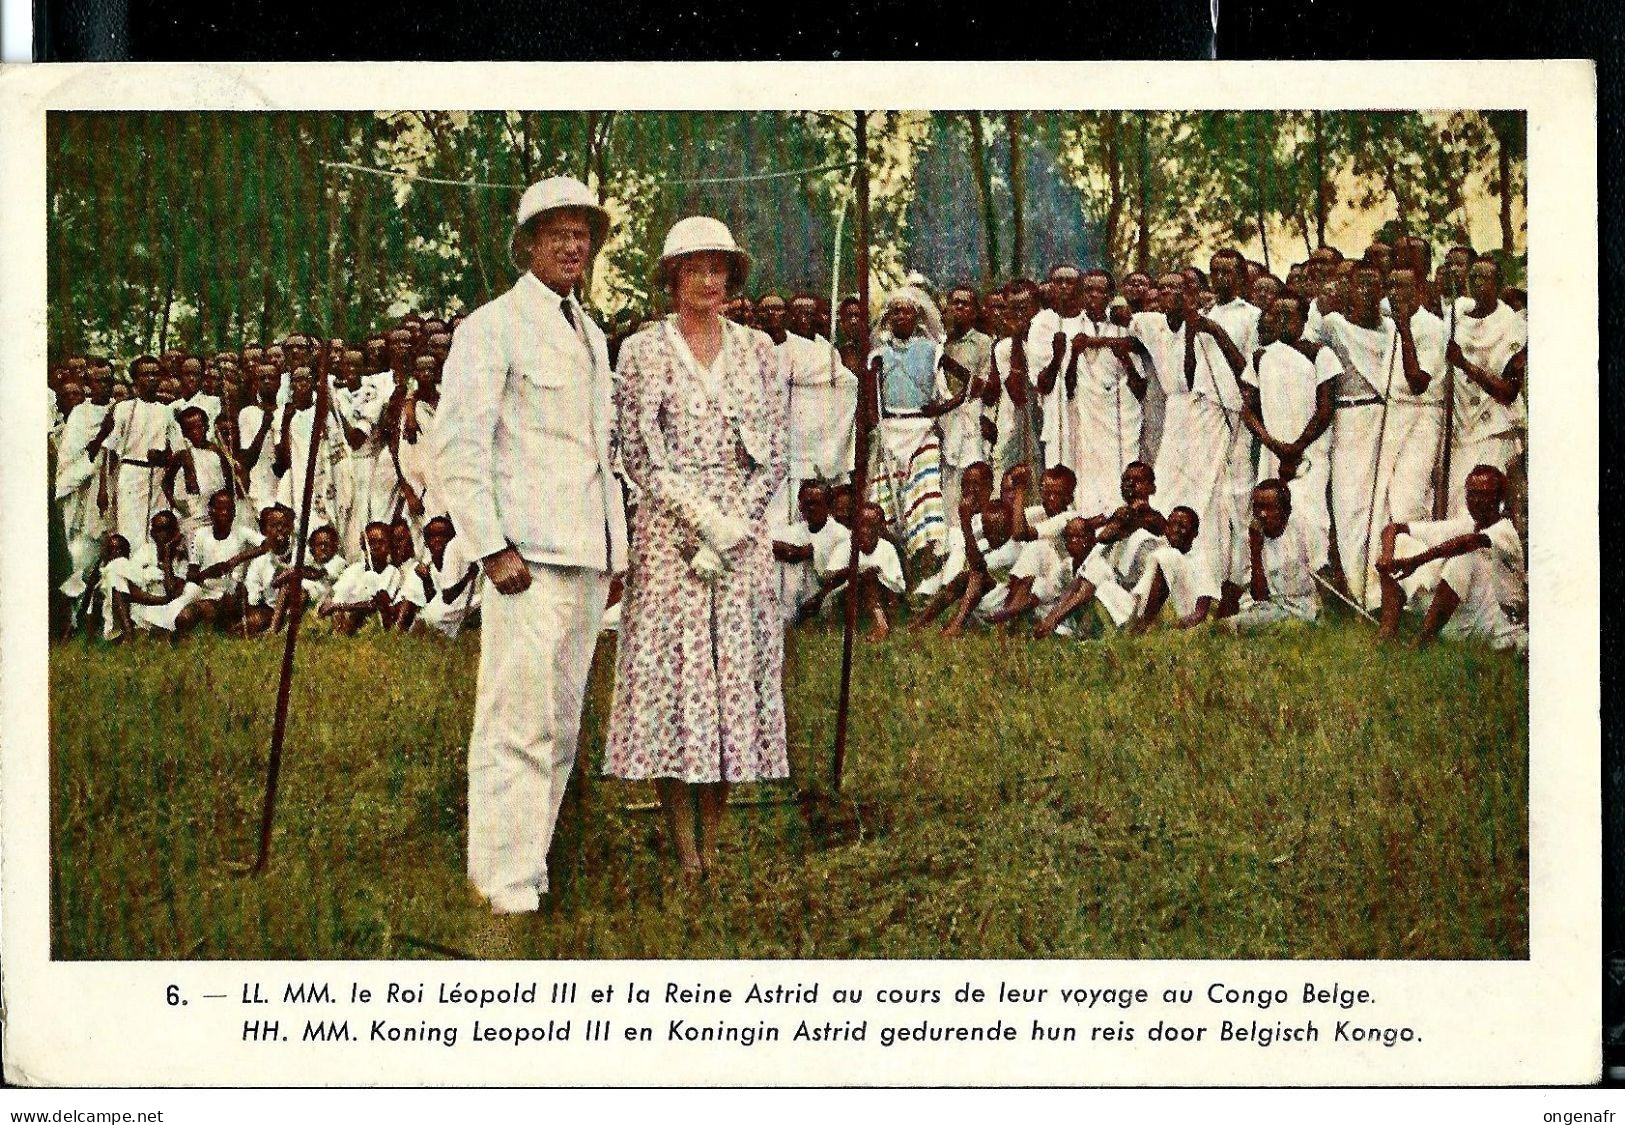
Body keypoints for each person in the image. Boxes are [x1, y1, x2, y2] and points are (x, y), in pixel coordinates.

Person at [434, 176, 629, 915]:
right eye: (557, 233)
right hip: (525, 558)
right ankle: (501, 880)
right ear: (527, 244)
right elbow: (459, 445)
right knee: (516, 719)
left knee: (562, 722)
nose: (572, 245)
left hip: (583, 554)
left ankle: (531, 863)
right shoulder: (493, 326)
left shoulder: (590, 331)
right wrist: (489, 547)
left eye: (583, 234)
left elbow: (595, 451)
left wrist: (614, 553)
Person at [605, 215, 786, 880]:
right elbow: (638, 454)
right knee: (680, 686)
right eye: (695, 268)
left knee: (731, 681)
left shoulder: (760, 350)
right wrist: (700, 522)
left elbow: (773, 454)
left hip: (740, 539)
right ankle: (684, 852)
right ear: (672, 278)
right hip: (671, 532)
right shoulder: (642, 351)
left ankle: (716, 841)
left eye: (719, 268)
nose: (709, 280)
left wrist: (732, 528)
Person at [1375, 464, 1525, 651]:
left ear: (1499, 498)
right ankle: (1386, 636)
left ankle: (1419, 644)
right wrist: (1388, 557)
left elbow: (1467, 543)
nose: (1476, 501)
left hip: (1496, 627)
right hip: (1464, 620)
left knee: (1465, 556)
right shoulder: (1468, 524)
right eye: (1471, 494)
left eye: (1484, 495)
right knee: (1402, 543)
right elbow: (1394, 528)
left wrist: (1415, 561)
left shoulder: (1504, 530)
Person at [1239, 296, 1337, 571]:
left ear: (1304, 320)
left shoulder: (1320, 354)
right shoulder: (1261, 357)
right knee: (1271, 515)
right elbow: (1248, 409)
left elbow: (1325, 407)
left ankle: (1316, 576)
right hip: (1274, 453)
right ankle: (1276, 578)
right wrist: (1272, 443)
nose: (1282, 321)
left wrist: (1297, 446)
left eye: (1289, 316)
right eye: (1277, 315)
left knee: (1310, 514)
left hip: (1310, 452)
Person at [1039, 268, 1146, 517]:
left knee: (1120, 475)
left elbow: (1139, 386)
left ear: (1110, 295)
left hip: (1119, 420)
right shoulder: (1069, 328)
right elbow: (1068, 387)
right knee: (1087, 480)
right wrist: (1075, 354)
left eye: (1101, 291)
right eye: (1089, 290)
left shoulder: (1122, 329)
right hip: (1086, 418)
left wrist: (1122, 357)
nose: (1094, 296)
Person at [867, 286, 956, 567]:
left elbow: (952, 391)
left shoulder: (931, 350)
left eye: (907, 311)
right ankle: (894, 555)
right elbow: (873, 402)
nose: (901, 317)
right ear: (888, 317)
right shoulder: (878, 355)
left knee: (925, 489)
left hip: (922, 431)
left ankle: (928, 553)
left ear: (916, 316)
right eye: (896, 312)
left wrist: (939, 409)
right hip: (891, 430)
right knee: (889, 495)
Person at [1444, 257, 1526, 516]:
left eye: (1484, 278)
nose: (1477, 283)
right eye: (1473, 278)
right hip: (1462, 429)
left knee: (1489, 507)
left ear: (1498, 284)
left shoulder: (1512, 326)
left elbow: (1508, 392)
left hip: (1495, 429)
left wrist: (1465, 365)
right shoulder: (1458, 320)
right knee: (1458, 505)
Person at [90, 356, 177, 552]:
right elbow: (110, 451)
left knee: (156, 529)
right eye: (146, 374)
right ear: (135, 379)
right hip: (130, 475)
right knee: (129, 530)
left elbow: (178, 452)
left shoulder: (167, 411)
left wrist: (163, 457)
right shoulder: (123, 409)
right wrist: (103, 488)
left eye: (155, 374)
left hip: (157, 477)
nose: (151, 379)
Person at [1223, 480, 1319, 631]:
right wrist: (1255, 550)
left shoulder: (1302, 534)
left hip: (1296, 608)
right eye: (1257, 507)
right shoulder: (1248, 538)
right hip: (1260, 607)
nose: (1261, 514)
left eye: (1268, 508)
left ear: (1286, 511)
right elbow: (1258, 596)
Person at [938, 286, 994, 520]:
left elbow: (982, 384)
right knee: (946, 478)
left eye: (965, 304)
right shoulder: (940, 343)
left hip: (970, 419)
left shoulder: (983, 342)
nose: (959, 308)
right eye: (955, 303)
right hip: (942, 420)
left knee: (970, 475)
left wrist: (952, 367)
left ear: (974, 311)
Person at [1128, 506, 1218, 633]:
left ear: (1194, 533)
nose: (1176, 530)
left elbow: (1202, 609)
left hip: (1182, 615)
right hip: (1152, 611)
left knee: (1168, 556)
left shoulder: (1200, 561)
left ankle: (1143, 626)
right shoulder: (1158, 549)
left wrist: (1179, 628)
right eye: (1172, 524)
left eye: (1183, 526)